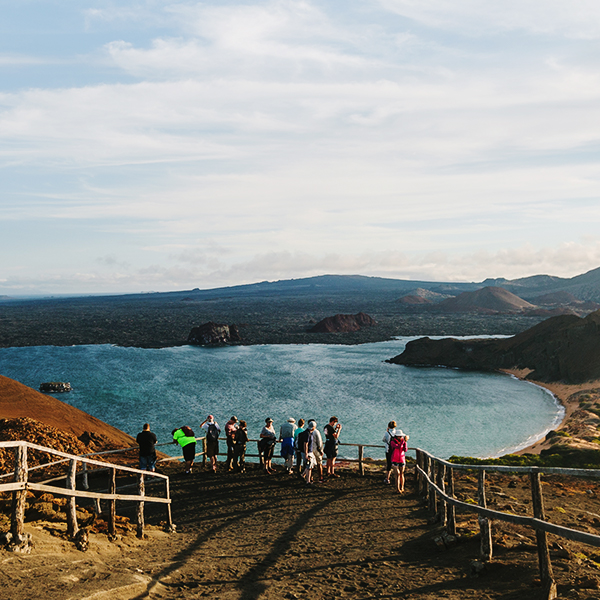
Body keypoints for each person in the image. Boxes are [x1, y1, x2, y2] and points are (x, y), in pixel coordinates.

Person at [300, 420, 319, 484]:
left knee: (312, 464)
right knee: (309, 467)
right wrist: (306, 454)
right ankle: (308, 481)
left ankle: (303, 475)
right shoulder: (307, 434)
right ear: (313, 427)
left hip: (309, 451)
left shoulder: (307, 432)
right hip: (308, 452)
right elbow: (305, 444)